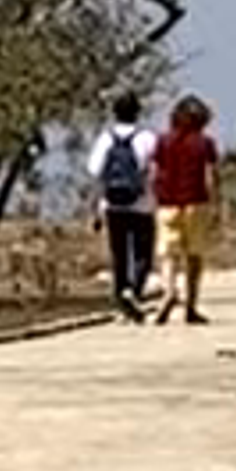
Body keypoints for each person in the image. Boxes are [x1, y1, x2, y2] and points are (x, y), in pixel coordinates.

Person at [146, 88, 219, 325]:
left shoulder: (163, 141)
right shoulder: (205, 143)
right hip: (196, 202)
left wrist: (155, 196)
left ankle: (169, 291)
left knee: (168, 254)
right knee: (194, 256)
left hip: (167, 204)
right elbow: (210, 176)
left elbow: (153, 173)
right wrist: (215, 204)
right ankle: (191, 306)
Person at [89, 98, 159, 322]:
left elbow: (95, 171)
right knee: (143, 254)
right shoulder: (147, 138)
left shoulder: (105, 139)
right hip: (142, 204)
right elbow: (157, 169)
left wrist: (95, 207)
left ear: (114, 113)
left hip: (112, 205)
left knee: (119, 254)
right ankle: (134, 291)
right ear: (137, 113)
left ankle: (121, 299)